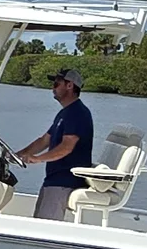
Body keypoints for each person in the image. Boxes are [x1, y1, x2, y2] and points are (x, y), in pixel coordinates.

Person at [14, 69, 95, 220]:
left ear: (70, 85)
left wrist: (38, 159)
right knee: (38, 222)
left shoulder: (78, 113)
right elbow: (44, 140)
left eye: (57, 84)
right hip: (53, 179)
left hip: (65, 181)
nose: (53, 87)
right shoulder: (64, 114)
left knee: (43, 229)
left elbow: (66, 147)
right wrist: (17, 154)